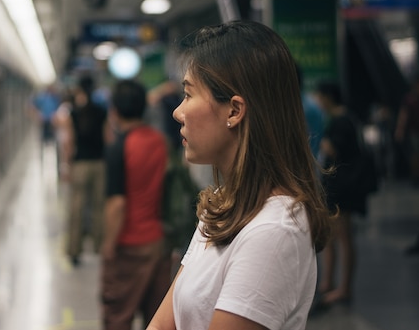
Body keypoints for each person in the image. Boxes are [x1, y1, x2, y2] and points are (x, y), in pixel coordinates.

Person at [146, 20, 331, 330]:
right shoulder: (223, 206)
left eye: (189, 95)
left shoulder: (274, 232)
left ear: (234, 111)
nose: (178, 112)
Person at [101, 80, 172, 330]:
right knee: (155, 318)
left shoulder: (118, 147)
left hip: (129, 246)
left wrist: (109, 246)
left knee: (118, 316)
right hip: (158, 243)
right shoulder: (160, 141)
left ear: (115, 110)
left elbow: (117, 203)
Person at [314, 81, 366, 307]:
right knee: (334, 236)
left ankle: (343, 287)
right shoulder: (342, 119)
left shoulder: (341, 121)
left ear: (328, 96)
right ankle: (329, 283)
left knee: (343, 237)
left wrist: (325, 144)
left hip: (343, 188)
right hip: (339, 187)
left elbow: (333, 150)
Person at [59, 75, 109, 266]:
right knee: (98, 207)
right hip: (99, 163)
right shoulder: (101, 111)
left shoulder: (73, 113)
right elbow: (107, 138)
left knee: (76, 207)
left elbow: (69, 142)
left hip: (80, 164)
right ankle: (99, 247)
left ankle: (74, 250)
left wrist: (66, 166)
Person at [395, 76, 419, 186]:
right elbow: (403, 115)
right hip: (413, 131)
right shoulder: (409, 99)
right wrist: (400, 130)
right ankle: (415, 177)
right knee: (415, 155)